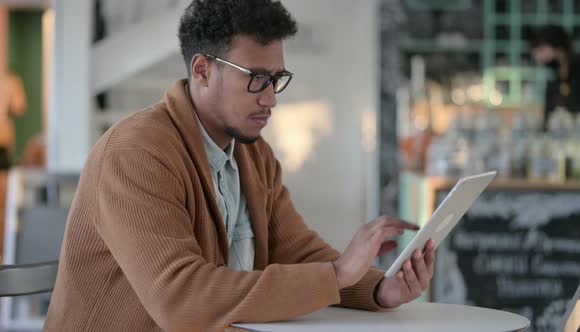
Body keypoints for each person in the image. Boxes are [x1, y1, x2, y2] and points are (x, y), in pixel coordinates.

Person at [44, 1, 435, 331]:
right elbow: (179, 298)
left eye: (276, 79)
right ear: (201, 70)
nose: (271, 99)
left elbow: (295, 253)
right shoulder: (135, 153)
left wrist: (378, 289)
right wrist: (335, 276)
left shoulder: (253, 154)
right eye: (256, 79)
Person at [530, 25, 580, 127]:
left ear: (560, 49)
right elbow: (547, 120)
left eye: (541, 50)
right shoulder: (555, 81)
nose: (537, 57)